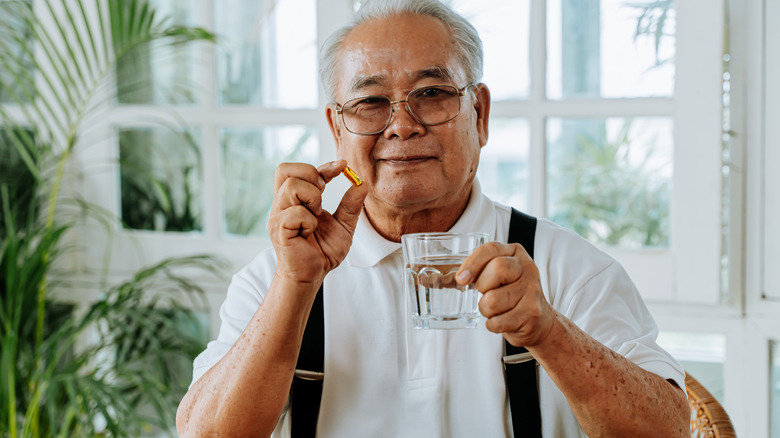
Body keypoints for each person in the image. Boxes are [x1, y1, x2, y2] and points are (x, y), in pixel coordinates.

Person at [176, 0, 689, 436]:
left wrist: (549, 331)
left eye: (432, 94)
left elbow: (669, 428)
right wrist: (295, 285)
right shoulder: (278, 277)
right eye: (370, 102)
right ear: (337, 129)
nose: (401, 125)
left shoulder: (566, 267)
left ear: (480, 115)